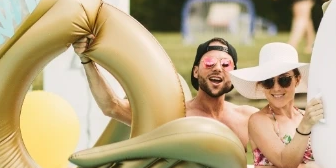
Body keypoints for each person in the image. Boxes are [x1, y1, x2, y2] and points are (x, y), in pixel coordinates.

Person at [75, 36, 258, 151]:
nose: (217, 68)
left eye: (226, 64)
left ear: (234, 74)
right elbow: (111, 107)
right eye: (209, 62)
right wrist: (87, 60)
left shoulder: (248, 118)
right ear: (196, 71)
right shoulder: (174, 115)